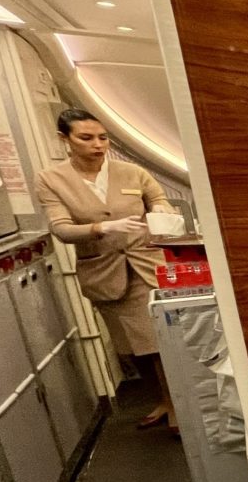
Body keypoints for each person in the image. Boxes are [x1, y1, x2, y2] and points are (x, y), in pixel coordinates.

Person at [33, 109, 177, 428]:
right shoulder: (52, 180)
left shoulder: (131, 172)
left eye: (102, 137)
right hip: (104, 271)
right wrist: (101, 227)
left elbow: (159, 200)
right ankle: (164, 401)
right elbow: (61, 228)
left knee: (157, 342)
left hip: (147, 264)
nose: (97, 145)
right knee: (131, 347)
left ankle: (178, 408)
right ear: (64, 140)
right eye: (86, 138)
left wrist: (161, 214)